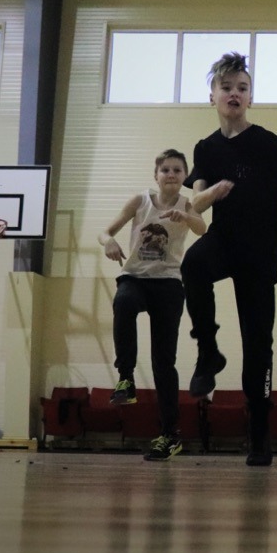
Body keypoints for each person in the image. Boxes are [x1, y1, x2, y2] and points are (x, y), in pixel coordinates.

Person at [181, 52, 277, 467]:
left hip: (258, 253)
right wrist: (210, 193)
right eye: (227, 87)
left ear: (250, 98)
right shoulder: (206, 147)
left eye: (242, 88)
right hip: (223, 242)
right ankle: (209, 351)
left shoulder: (266, 142)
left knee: (258, 345)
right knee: (192, 264)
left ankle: (259, 434)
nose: (234, 93)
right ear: (212, 96)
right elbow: (195, 205)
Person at [98, 148, 206, 462]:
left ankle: (170, 435)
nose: (171, 174)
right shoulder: (140, 201)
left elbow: (202, 228)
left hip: (168, 283)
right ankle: (126, 378)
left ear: (185, 176)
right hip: (135, 277)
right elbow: (105, 231)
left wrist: (186, 217)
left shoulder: (188, 204)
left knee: (163, 362)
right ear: (156, 175)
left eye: (177, 170)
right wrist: (109, 241)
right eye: (165, 170)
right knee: (124, 302)